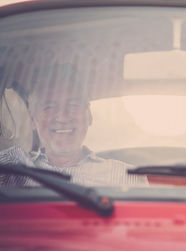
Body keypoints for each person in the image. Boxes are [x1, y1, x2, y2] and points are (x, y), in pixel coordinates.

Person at [0, 64, 148, 187]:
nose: (63, 117)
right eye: (49, 107)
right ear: (33, 120)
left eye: (73, 105)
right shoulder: (13, 166)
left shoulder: (127, 176)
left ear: (89, 116)